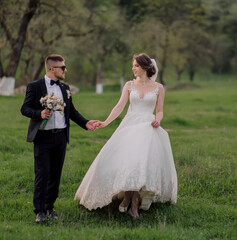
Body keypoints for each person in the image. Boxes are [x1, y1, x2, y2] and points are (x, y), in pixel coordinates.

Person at [74, 53, 177, 218]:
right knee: (128, 161)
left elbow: (160, 110)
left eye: (136, 65)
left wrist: (158, 120)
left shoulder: (158, 88)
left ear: (144, 67)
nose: (133, 68)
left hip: (148, 127)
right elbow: (119, 106)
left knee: (140, 162)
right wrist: (106, 122)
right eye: (133, 65)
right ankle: (128, 196)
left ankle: (134, 202)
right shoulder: (129, 85)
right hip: (130, 125)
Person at [21, 54, 98, 223]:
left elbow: (72, 112)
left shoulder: (65, 88)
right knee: (42, 173)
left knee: (56, 174)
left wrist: (86, 123)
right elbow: (24, 108)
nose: (65, 70)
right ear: (52, 69)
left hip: (61, 137)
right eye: (63, 67)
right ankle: (39, 211)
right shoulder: (35, 86)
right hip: (43, 137)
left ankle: (49, 207)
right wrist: (39, 113)